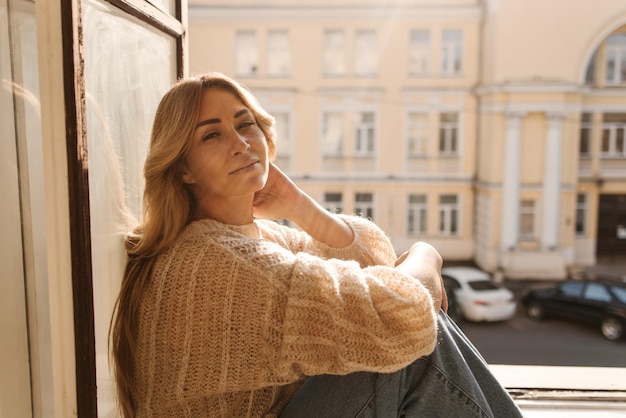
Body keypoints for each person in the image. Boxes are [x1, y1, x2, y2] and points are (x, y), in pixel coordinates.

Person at [110, 72, 523, 418]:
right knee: (404, 343)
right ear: (183, 168)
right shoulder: (218, 263)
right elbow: (402, 313)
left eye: (244, 123)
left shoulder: (247, 237)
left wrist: (299, 206)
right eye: (212, 135)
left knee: (401, 328)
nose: (240, 142)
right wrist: (426, 255)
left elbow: (372, 260)